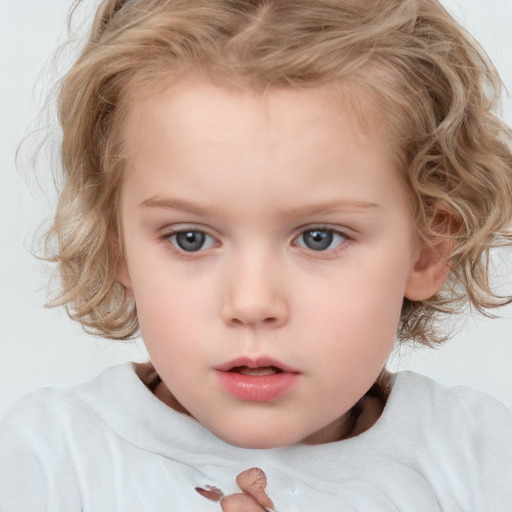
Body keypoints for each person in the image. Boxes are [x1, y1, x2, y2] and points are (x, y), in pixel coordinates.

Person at [1, 0, 511, 510]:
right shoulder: (44, 463)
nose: (251, 302)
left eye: (319, 237)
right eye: (190, 238)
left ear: (427, 248)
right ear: (118, 246)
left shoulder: (481, 461)